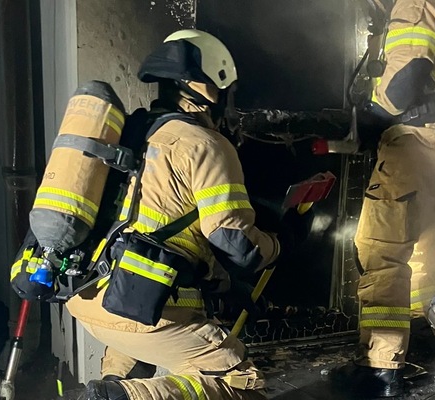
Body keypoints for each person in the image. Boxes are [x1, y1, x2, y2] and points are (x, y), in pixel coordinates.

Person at [67, 29, 307, 400]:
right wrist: (282, 243)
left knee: (137, 357)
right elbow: (236, 244)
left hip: (89, 299)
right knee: (239, 384)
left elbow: (156, 227)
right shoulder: (205, 144)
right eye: (224, 91)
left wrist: (225, 287)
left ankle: (114, 386)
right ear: (204, 87)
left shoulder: (132, 133)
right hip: (142, 311)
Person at [333, 0, 435, 397]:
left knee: (380, 253)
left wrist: (371, 117)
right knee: (422, 252)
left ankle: (379, 371)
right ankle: (428, 337)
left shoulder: (415, 4)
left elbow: (404, 80)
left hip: (414, 144)